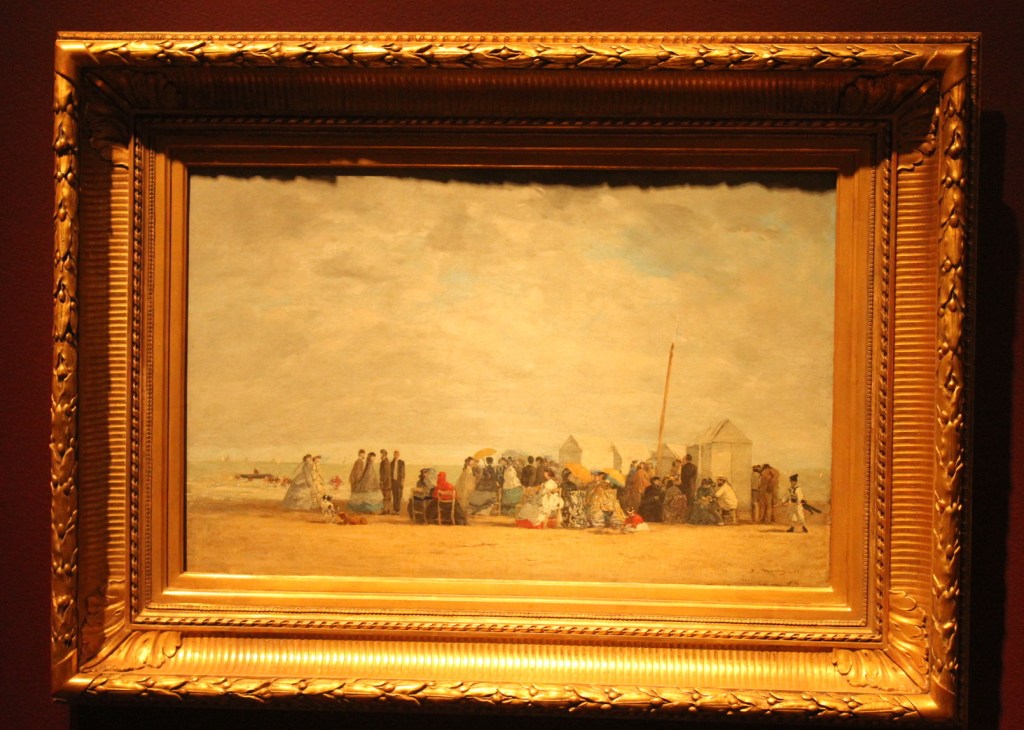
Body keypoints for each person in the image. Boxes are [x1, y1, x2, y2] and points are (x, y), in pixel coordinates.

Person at [390, 449, 406, 516]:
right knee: (394, 496)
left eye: (397, 454)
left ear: (399, 455)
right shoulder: (391, 463)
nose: (396, 455)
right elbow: (390, 473)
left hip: (399, 482)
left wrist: (402, 481)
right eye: (395, 454)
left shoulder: (401, 462)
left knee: (399, 496)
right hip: (393, 481)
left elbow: (403, 473)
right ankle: (394, 510)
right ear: (393, 455)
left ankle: (398, 510)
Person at [379, 448, 393, 514]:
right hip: (388, 483)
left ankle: (385, 510)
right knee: (388, 497)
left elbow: (385, 473)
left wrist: (382, 481)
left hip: (385, 483)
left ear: (384, 454)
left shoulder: (384, 461)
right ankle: (388, 510)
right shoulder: (386, 461)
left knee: (385, 497)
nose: (381, 455)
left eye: (382, 454)